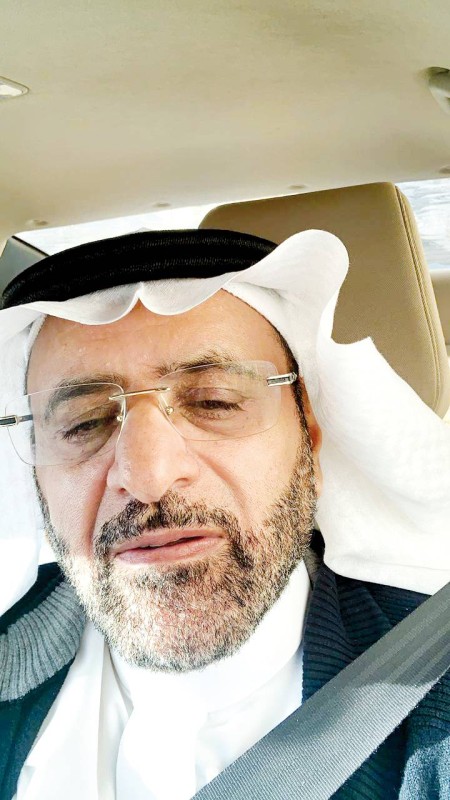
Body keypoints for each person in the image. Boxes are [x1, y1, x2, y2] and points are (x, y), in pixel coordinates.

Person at [0, 228, 449, 800]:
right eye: (84, 423)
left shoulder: (432, 697)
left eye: (214, 401)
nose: (148, 477)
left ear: (309, 437)